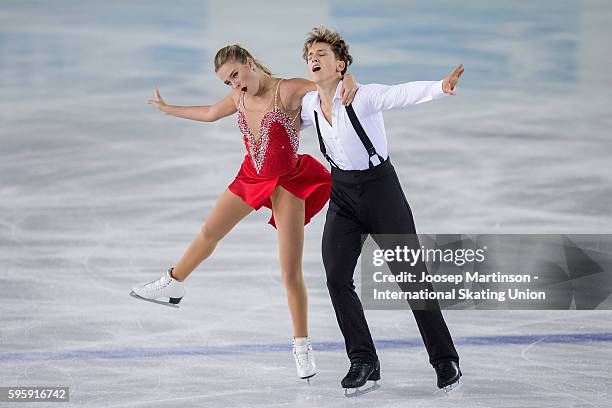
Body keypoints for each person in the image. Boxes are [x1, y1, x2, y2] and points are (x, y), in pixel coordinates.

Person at [130, 44, 358, 381]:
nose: (235, 85)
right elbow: (209, 113)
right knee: (209, 232)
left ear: (249, 63)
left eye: (236, 75)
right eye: (228, 82)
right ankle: (173, 283)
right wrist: (168, 109)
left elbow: (330, 86)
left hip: (287, 182)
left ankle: (301, 344)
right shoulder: (238, 98)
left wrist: (349, 78)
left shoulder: (288, 89)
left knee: (289, 271)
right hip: (251, 175)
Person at [300, 26, 465, 393]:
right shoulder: (310, 104)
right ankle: (363, 360)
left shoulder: (362, 96)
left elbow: (400, 94)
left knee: (412, 276)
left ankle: (444, 359)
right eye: (310, 56)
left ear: (340, 64)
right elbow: (280, 105)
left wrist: (440, 87)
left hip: (380, 191)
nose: (314, 59)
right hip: (341, 194)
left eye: (322, 54)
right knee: (336, 278)